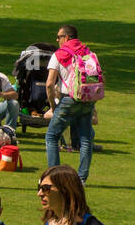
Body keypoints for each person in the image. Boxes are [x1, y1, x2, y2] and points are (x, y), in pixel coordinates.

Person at [42, 25, 100, 182]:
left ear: (66, 38)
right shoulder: (88, 53)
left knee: (52, 136)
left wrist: (53, 107)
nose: (57, 39)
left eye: (59, 36)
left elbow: (49, 84)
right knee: (86, 139)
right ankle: (82, 179)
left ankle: (54, 177)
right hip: (87, 99)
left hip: (68, 99)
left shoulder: (59, 55)